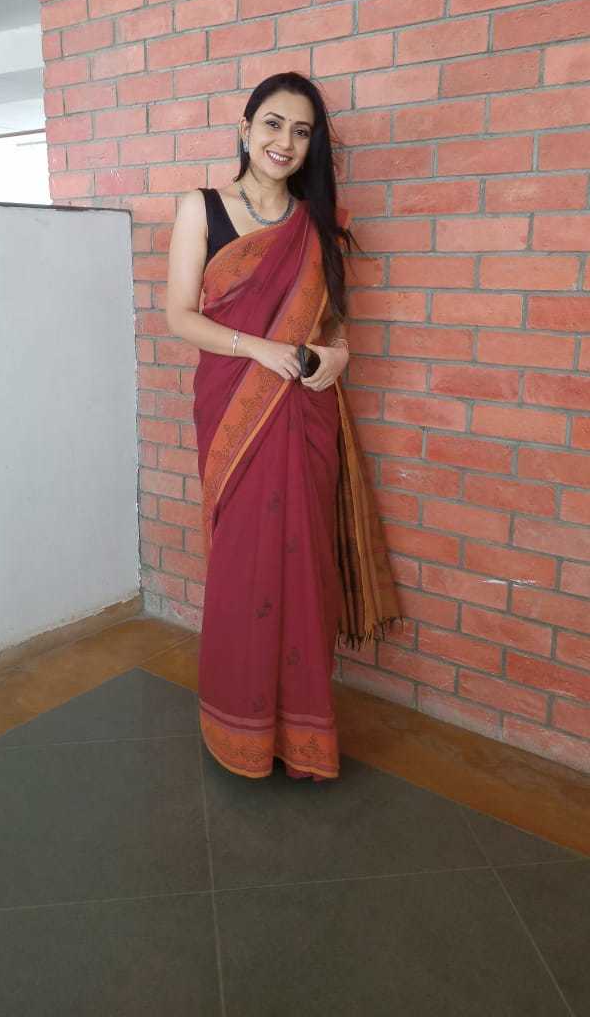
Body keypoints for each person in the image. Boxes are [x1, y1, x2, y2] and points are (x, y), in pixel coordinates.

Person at [166, 71, 401, 782]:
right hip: (234, 414)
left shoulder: (318, 224)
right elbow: (180, 317)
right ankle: (237, 728)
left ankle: (299, 737)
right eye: (273, 124)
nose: (285, 142)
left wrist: (339, 356)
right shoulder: (202, 208)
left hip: (304, 413)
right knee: (243, 567)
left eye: (301, 132)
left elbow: (335, 328)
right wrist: (258, 349)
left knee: (302, 566)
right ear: (246, 128)